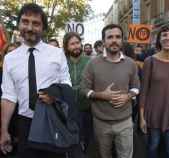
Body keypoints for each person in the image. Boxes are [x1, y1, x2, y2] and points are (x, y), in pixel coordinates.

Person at [0, 3, 71, 158]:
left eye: (36, 23)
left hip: (52, 120)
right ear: (19, 24)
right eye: (25, 21)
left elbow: (67, 85)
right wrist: (4, 130)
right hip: (24, 124)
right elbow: (8, 96)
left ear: (43, 28)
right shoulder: (10, 59)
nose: (30, 28)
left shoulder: (57, 54)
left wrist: (55, 94)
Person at [80, 24, 140, 158]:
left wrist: (128, 96)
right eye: (110, 37)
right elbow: (83, 89)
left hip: (125, 122)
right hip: (101, 123)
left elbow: (136, 87)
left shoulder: (131, 63)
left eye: (118, 37)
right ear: (104, 41)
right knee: (104, 155)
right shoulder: (93, 64)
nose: (114, 40)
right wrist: (101, 95)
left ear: (122, 40)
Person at [139, 25, 169, 158]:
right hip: (152, 116)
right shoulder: (150, 61)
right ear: (159, 39)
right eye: (164, 35)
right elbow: (144, 91)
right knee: (152, 149)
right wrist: (141, 118)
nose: (168, 38)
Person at [63, 32, 92, 154]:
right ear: (66, 46)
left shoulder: (90, 62)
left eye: (77, 43)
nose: (76, 46)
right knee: (71, 142)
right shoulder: (61, 62)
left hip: (87, 108)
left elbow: (93, 83)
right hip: (67, 110)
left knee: (86, 139)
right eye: (72, 44)